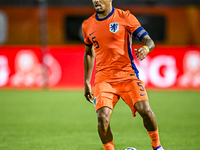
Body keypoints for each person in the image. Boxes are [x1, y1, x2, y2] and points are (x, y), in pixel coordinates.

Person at [82, 0, 165, 150]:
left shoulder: (125, 17)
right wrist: (87, 82)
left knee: (145, 110)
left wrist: (146, 48)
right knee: (102, 119)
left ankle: (157, 147)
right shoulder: (87, 24)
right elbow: (89, 53)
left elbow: (149, 40)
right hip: (104, 79)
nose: (96, 1)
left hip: (128, 75)